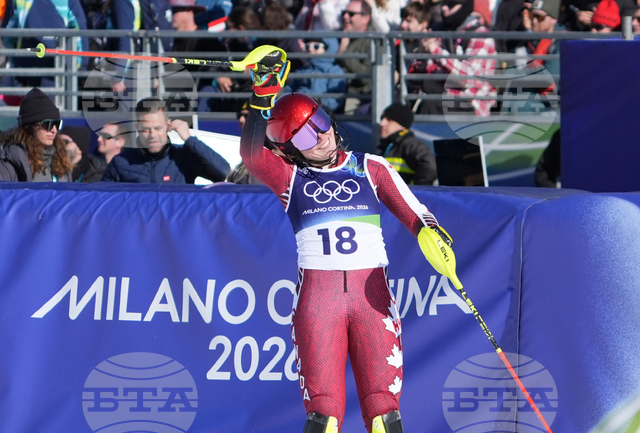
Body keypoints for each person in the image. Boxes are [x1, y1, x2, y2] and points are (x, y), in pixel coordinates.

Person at [238, 46, 455, 433]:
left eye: (319, 121)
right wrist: (261, 97)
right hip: (318, 300)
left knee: (384, 411)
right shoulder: (292, 178)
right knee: (324, 414)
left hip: (371, 295)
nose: (320, 136)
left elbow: (415, 211)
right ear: (289, 148)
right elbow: (254, 157)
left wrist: (432, 235)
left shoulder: (371, 166)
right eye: (303, 136)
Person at [102, 97, 231, 183]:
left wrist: (189, 138)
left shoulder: (184, 156)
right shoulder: (121, 161)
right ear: (137, 128)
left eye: (158, 128)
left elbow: (223, 173)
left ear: (168, 125)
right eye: (146, 129)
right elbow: (103, 199)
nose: (152, 135)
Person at [0, 88, 71, 182]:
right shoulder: (9, 160)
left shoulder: (61, 159)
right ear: (30, 127)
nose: (54, 130)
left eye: (57, 124)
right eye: (48, 124)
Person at [378, 102, 436, 185]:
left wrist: (414, 190)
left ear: (402, 125)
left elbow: (430, 167)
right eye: (382, 118)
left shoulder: (410, 144)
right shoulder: (390, 145)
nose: (382, 123)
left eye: (388, 119)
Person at [337, 0, 374, 111]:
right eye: (344, 13)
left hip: (357, 100)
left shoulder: (372, 41)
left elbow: (366, 76)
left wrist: (343, 53)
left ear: (366, 18)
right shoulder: (339, 35)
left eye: (351, 14)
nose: (345, 17)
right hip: (334, 95)